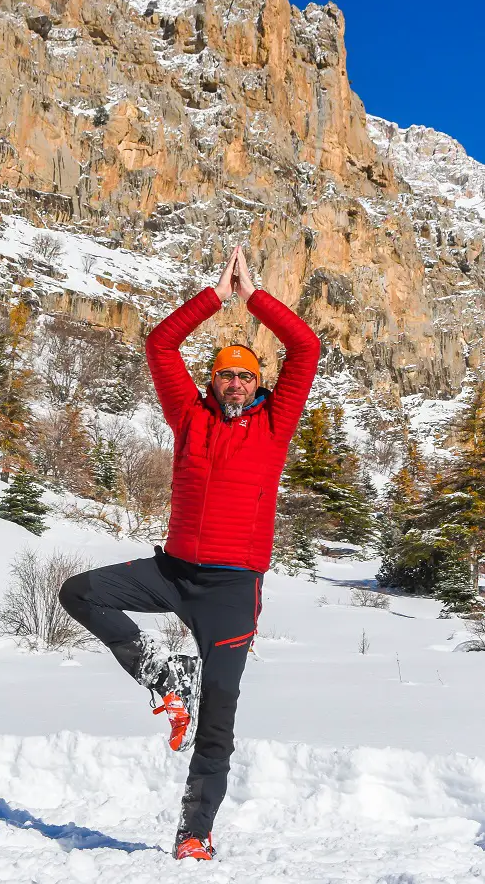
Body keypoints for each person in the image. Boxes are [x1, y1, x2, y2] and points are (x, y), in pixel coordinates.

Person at [59, 245, 320, 860]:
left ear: (259, 383)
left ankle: (195, 830)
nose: (235, 382)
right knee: (79, 592)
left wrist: (252, 299)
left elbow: (305, 348)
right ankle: (163, 674)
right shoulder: (189, 416)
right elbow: (159, 346)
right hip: (173, 572)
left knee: (218, 722)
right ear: (211, 381)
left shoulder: (276, 424)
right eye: (225, 373)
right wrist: (213, 295)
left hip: (232, 591)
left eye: (246, 374)